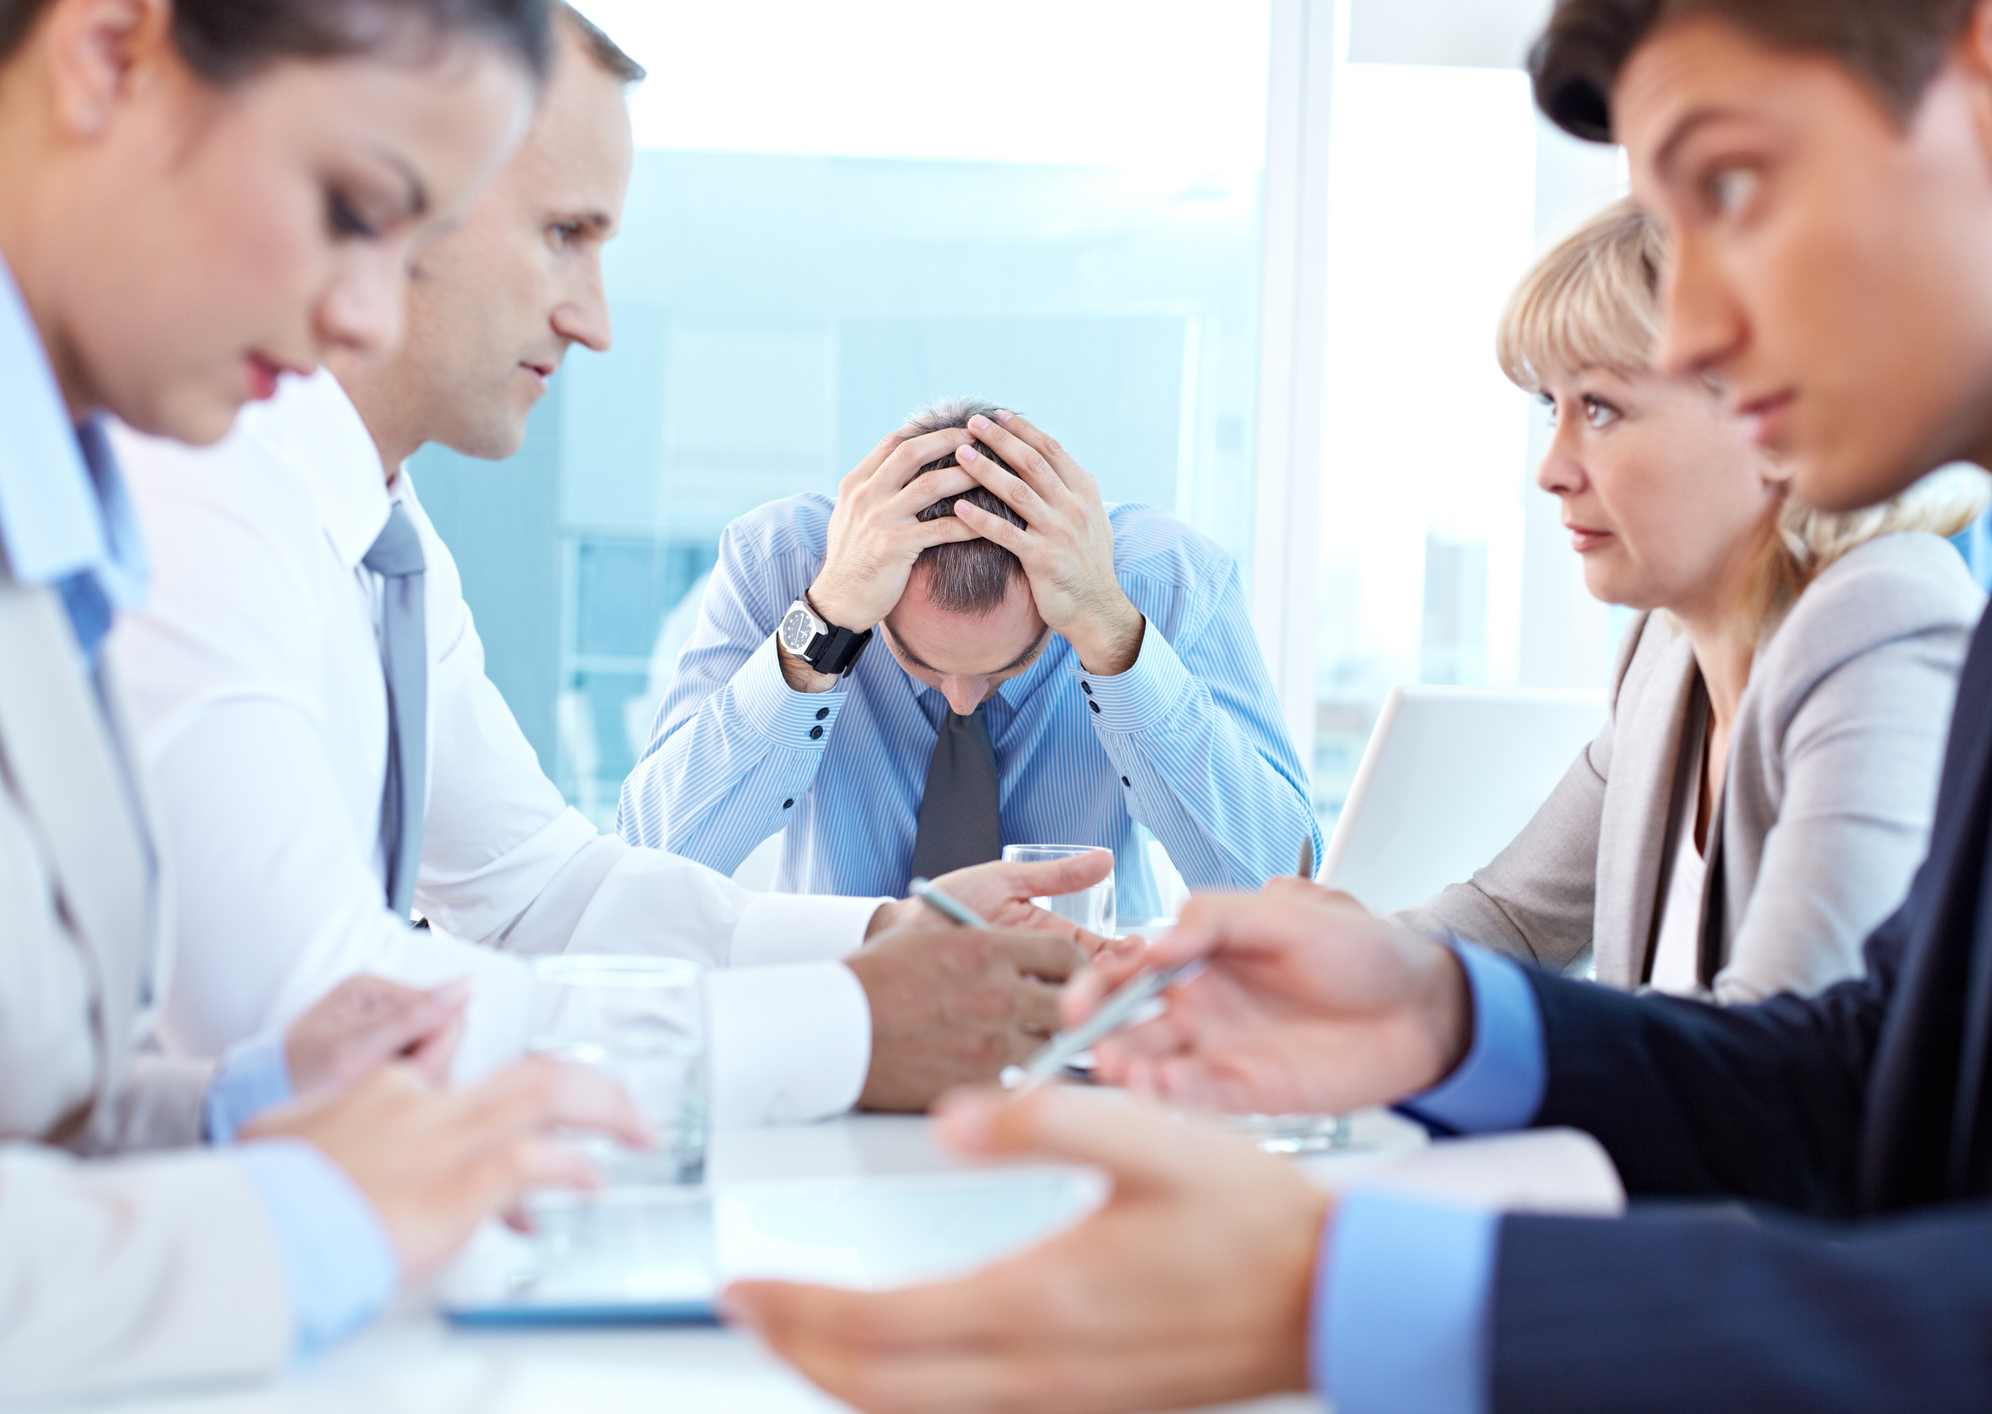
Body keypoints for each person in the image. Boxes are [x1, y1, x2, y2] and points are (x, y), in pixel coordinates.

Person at [723, 0, 1992, 1410]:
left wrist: (1357, 1280)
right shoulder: (1730, 657)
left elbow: (1854, 1150)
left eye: (1736, 186)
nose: (1698, 324)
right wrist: (1439, 1011)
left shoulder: (1890, 611)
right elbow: (1852, 1087)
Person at [109, 9, 1106, 1123]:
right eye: (563, 235)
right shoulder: (207, 489)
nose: (594, 321)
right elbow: (303, 1009)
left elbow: (541, 889)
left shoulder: (386, 534)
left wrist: (885, 939)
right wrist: (852, 1025)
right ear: (386, 200)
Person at [0, 0, 651, 1405]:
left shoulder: (33, 485)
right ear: (111, 55)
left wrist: (241, 1102)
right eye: (353, 206)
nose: (365, 309)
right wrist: (297, 1226)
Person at [1396, 199, 1984, 1002]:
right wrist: (1318, 959)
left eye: (1598, 407)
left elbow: (1773, 1058)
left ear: (1777, 427)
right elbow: (1515, 921)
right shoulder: (1663, 650)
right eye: (1550, 408)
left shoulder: (1883, 623)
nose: (1551, 469)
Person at [619, 396, 1319, 923]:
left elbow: (1278, 893)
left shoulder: (1166, 581)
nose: (959, 698)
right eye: (920, 664)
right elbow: (644, 866)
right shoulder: (782, 567)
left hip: (1091, 1036)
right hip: (846, 1026)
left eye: (1001, 669)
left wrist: (1115, 638)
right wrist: (823, 624)